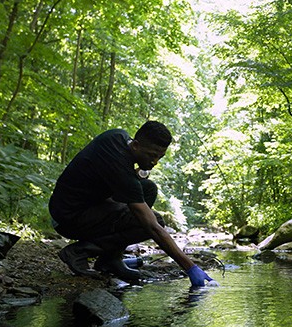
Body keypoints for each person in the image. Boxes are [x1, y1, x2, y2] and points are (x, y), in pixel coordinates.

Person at [49, 120, 215, 286]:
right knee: (153, 222)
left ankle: (110, 259)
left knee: (148, 188)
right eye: (152, 155)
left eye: (160, 157)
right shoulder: (118, 164)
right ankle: (78, 252)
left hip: (86, 205)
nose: (155, 162)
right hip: (68, 218)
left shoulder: (118, 136)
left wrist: (142, 169)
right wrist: (190, 267)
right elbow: (152, 227)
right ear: (136, 145)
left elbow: (119, 181)